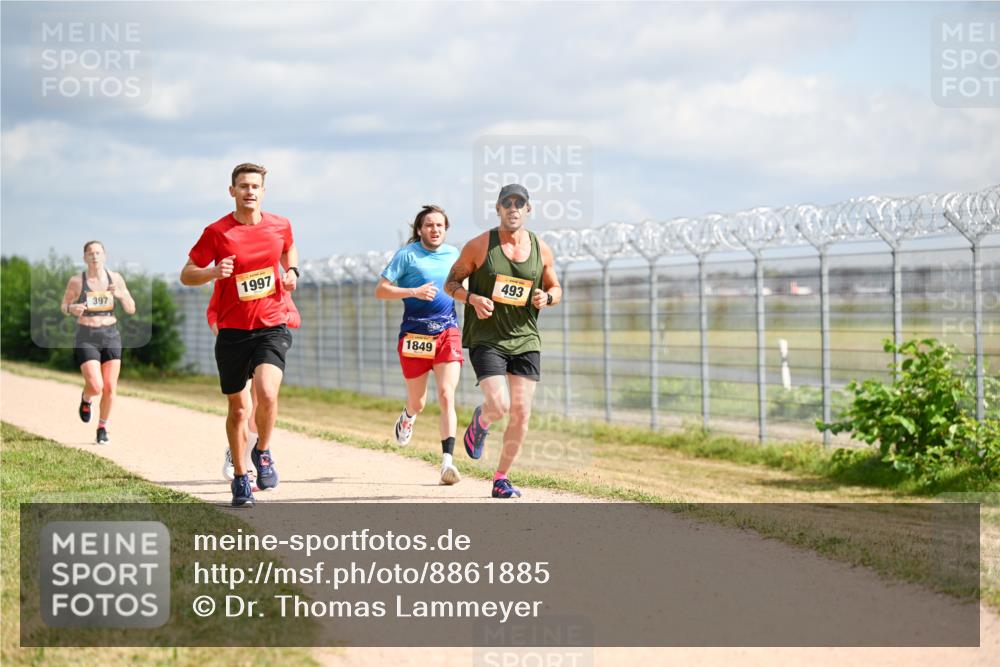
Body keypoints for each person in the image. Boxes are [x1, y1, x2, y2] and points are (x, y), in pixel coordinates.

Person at [180, 162, 299, 508]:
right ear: (232, 191)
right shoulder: (217, 232)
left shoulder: (280, 224)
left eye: (255, 186)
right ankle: (240, 477)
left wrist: (292, 270)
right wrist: (213, 272)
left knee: (267, 392)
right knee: (238, 409)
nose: (249, 192)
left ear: (263, 191)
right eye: (243, 186)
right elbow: (186, 274)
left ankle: (262, 451)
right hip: (233, 330)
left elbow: (288, 247)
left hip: (272, 324)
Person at [444, 183, 562, 498]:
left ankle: (501, 479)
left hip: (525, 338)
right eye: (506, 203)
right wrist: (471, 299)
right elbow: (450, 283)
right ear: (498, 209)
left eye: (519, 203)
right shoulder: (479, 246)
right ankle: (480, 423)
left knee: (521, 412)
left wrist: (547, 297)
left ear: (528, 209)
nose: (513, 209)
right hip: (488, 338)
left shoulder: (541, 249)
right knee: (499, 405)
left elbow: (556, 288)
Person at [375, 205, 463, 485]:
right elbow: (381, 290)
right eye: (429, 225)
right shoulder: (407, 255)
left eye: (439, 225)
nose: (435, 230)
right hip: (415, 336)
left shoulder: (454, 254)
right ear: (419, 229)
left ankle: (447, 463)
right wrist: (414, 291)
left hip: (447, 331)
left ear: (445, 229)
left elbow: (463, 286)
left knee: (447, 395)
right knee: (419, 402)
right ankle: (408, 416)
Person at [210, 286, 301, 488]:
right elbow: (213, 312)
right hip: (237, 341)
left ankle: (256, 456)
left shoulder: (277, 284)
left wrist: (276, 317)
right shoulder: (228, 282)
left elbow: (294, 317)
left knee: (263, 398)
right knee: (243, 408)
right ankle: (236, 456)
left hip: (266, 341)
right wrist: (222, 331)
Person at [61, 241, 137, 444]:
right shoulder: (77, 281)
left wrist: (120, 295)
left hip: (110, 335)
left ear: (104, 256)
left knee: (110, 387)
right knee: (96, 386)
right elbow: (64, 305)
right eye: (90, 253)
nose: (94, 256)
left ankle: (102, 428)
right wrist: (71, 309)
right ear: (84, 257)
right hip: (87, 336)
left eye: (98, 252)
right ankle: (86, 399)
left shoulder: (116, 279)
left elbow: (131, 308)